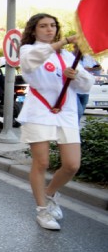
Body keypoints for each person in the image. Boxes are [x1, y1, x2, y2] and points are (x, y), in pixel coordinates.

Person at [17, 13, 93, 230]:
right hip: (39, 112)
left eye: (52, 26)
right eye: (43, 26)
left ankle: (49, 194)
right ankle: (42, 210)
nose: (49, 29)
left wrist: (75, 75)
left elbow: (85, 86)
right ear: (34, 30)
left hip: (65, 112)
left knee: (72, 165)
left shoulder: (68, 57)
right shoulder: (28, 50)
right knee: (42, 163)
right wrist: (65, 41)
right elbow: (31, 62)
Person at [74, 44, 101, 120]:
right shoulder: (69, 57)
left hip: (86, 91)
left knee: (80, 113)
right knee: (78, 112)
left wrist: (91, 69)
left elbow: (98, 71)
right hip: (74, 90)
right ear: (75, 47)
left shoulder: (89, 58)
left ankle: (76, 130)